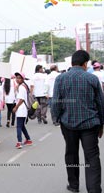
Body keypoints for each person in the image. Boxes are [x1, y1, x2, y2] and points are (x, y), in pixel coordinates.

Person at [51, 50, 103, 193]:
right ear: (85, 64)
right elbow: (100, 103)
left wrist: (56, 119)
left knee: (71, 154)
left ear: (72, 62)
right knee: (92, 158)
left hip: (68, 125)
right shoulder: (92, 79)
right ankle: (94, 189)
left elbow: (55, 102)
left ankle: (73, 186)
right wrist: (102, 124)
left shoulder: (61, 79)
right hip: (90, 124)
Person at [12, 72, 33, 149]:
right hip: (22, 109)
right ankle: (28, 139)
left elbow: (21, 99)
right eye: (16, 77)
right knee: (22, 126)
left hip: (21, 108)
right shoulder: (22, 86)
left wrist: (16, 107)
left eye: (19, 78)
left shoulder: (21, 87)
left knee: (18, 126)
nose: (17, 79)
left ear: (22, 79)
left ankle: (19, 142)